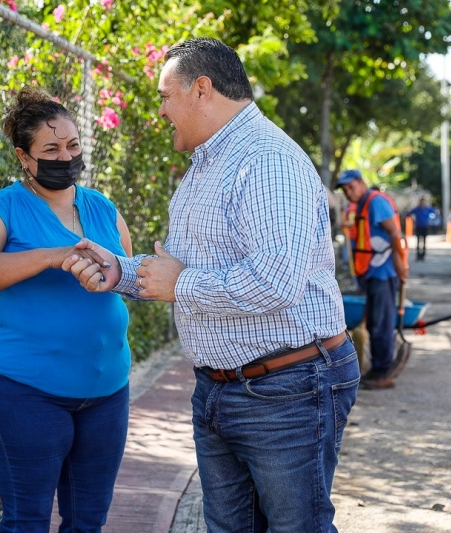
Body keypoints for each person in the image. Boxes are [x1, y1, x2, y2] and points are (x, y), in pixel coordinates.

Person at [64, 38, 359, 533]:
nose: (160, 110)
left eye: (164, 96)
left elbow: (275, 282)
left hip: (287, 387)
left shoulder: (266, 161)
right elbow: (184, 269)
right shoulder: (208, 162)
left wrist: (182, 285)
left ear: (202, 89)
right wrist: (121, 271)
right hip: (224, 389)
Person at [0, 87, 133, 533]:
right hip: (22, 389)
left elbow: (125, 275)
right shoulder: (1, 207)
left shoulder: (102, 207)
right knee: (28, 521)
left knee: (88, 521)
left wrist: (119, 274)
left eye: (72, 145)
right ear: (24, 157)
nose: (65, 156)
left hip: (107, 390)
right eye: (50, 148)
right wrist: (51, 256)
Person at [336, 169, 409, 389]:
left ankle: (383, 371)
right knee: (376, 323)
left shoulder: (376, 202)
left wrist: (400, 265)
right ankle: (377, 368)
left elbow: (395, 234)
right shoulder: (360, 205)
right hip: (371, 274)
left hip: (384, 274)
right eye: (345, 190)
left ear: (361, 183)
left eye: (351, 187)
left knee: (381, 325)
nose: (349, 192)